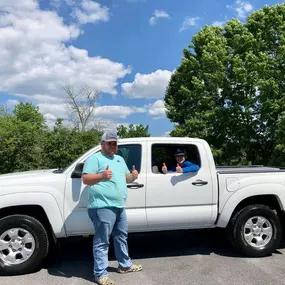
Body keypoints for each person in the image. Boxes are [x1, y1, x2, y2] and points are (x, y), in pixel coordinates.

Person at [82, 131, 142, 285]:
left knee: (121, 236)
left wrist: (133, 176)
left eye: (115, 143)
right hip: (102, 206)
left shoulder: (120, 159)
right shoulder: (95, 158)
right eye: (110, 143)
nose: (113, 145)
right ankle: (100, 274)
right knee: (102, 241)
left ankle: (125, 265)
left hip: (119, 205)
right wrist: (102, 176)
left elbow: (125, 177)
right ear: (102, 144)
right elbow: (86, 179)